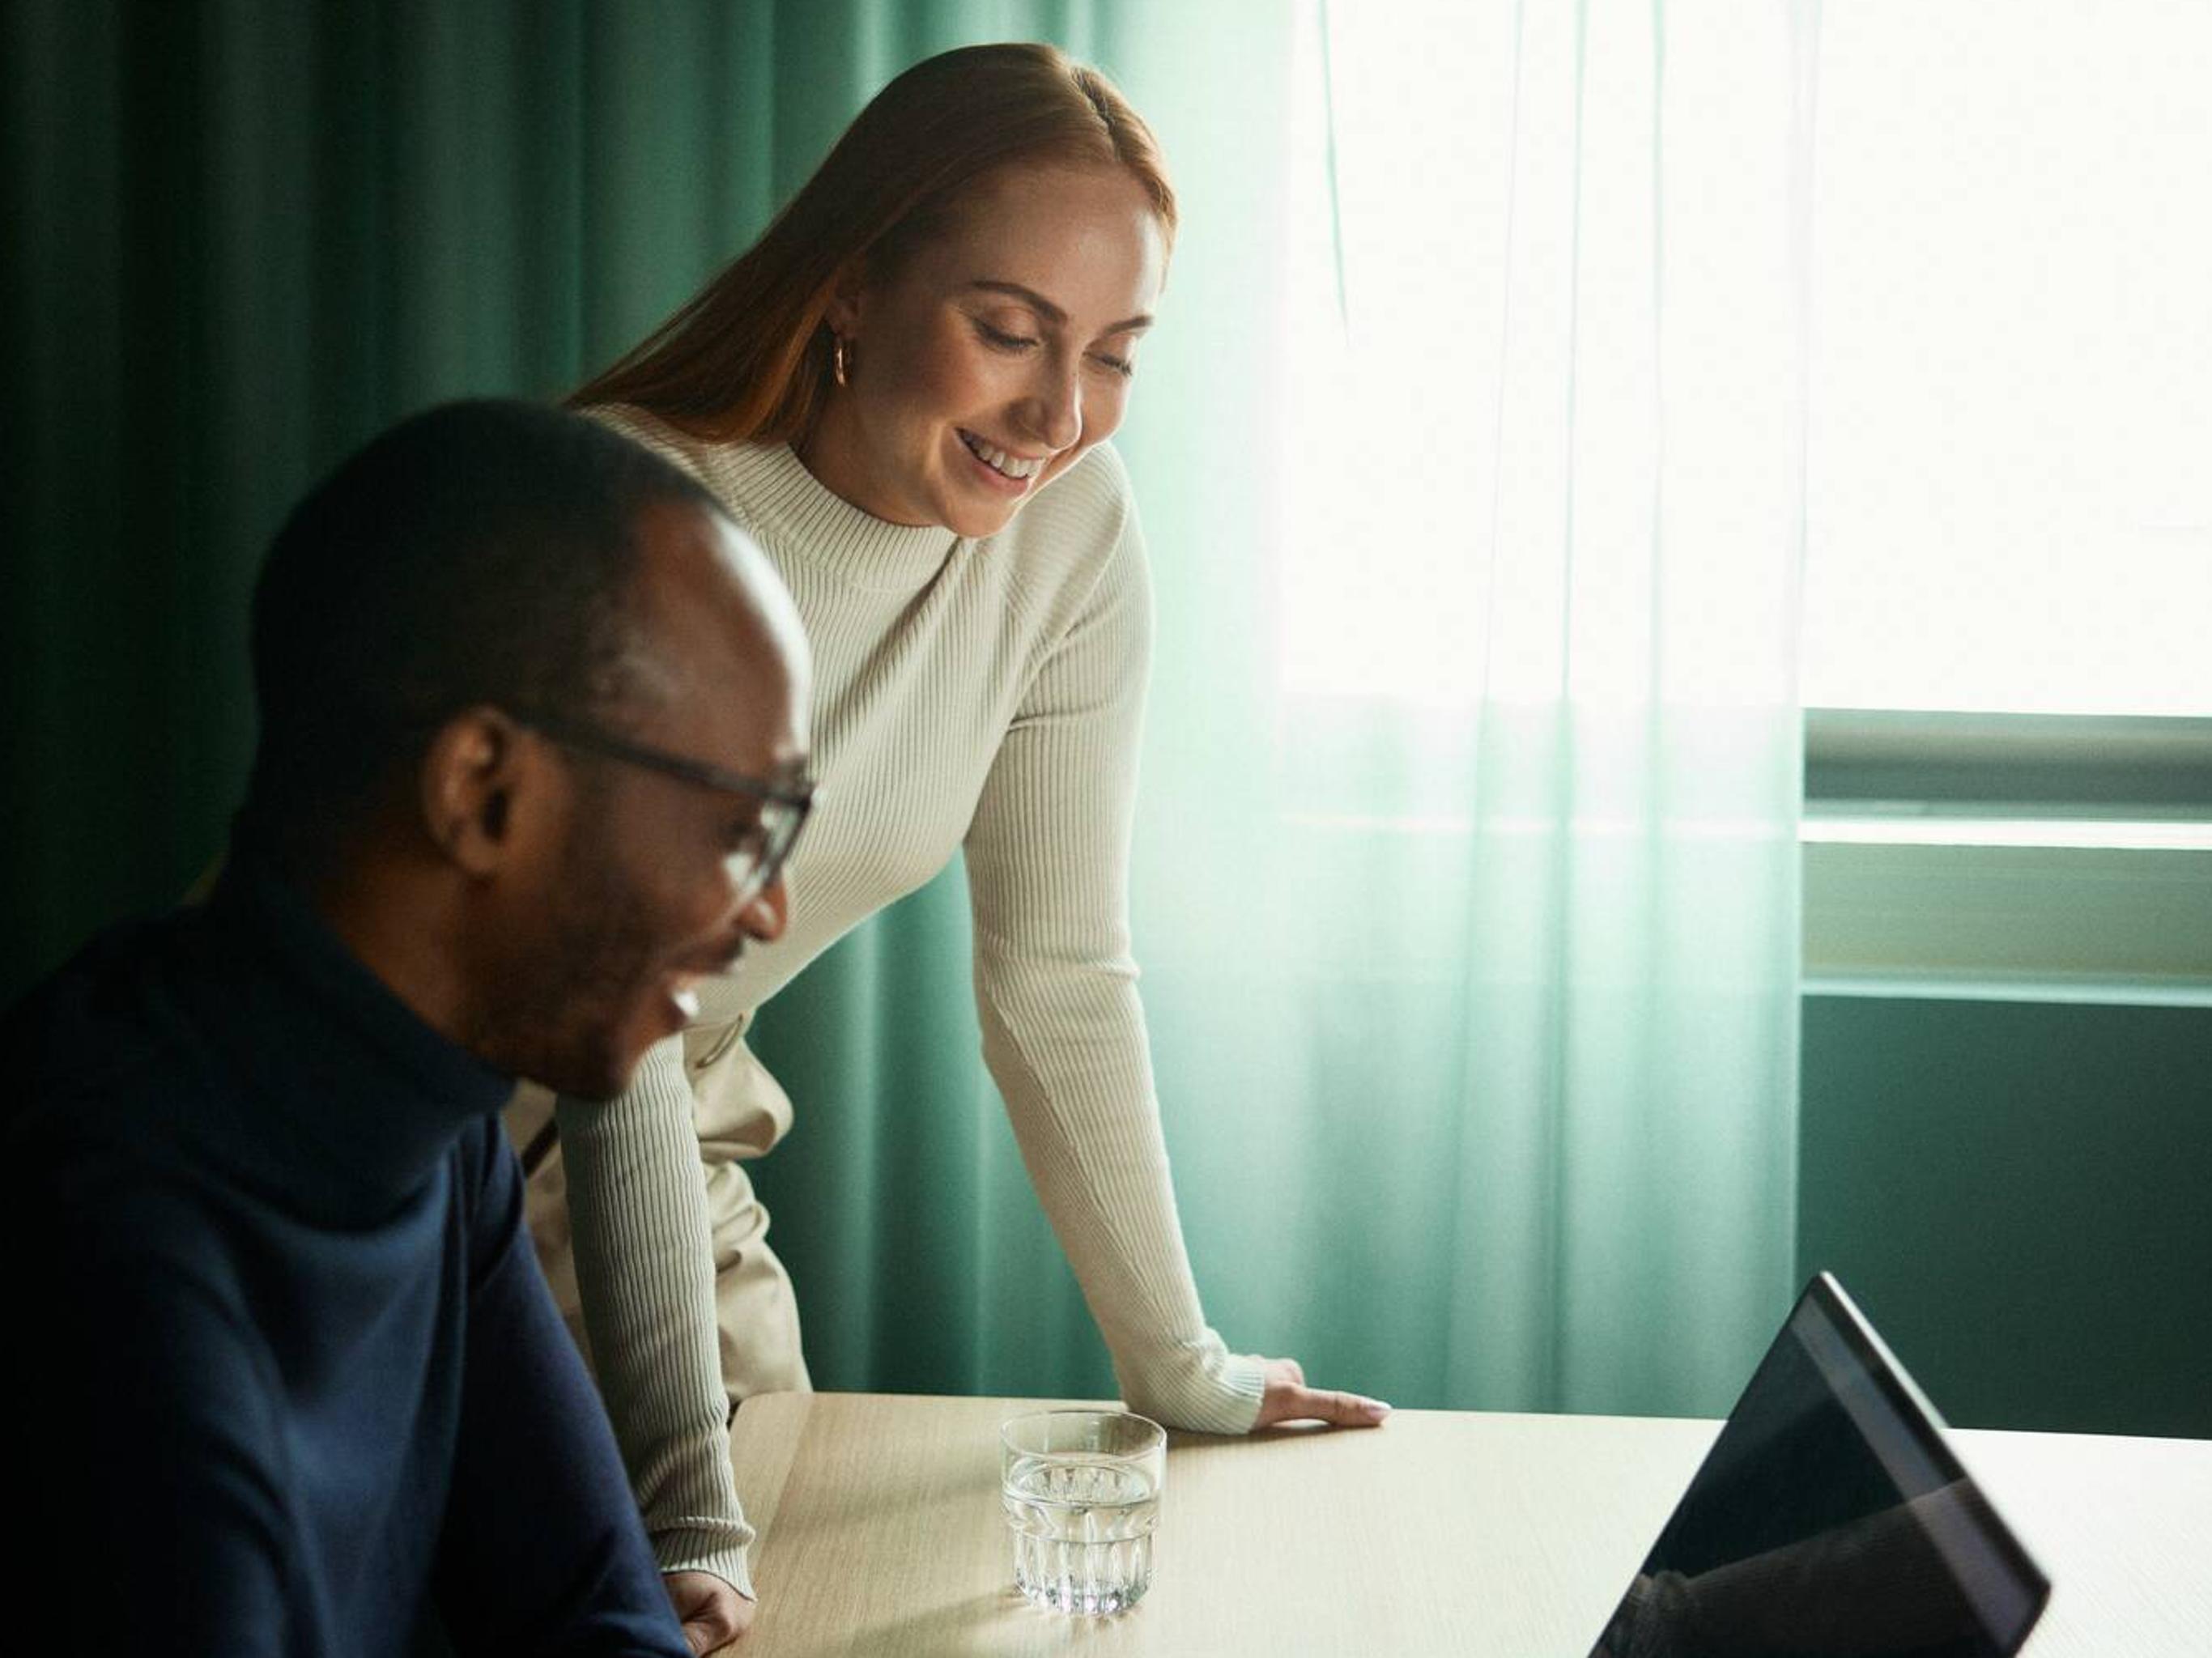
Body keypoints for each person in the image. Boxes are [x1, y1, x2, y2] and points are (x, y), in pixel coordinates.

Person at [516, 40, 1389, 1633]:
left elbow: (1057, 977)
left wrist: (1176, 1368)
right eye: (1009, 332)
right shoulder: (634, 512)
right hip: (397, 1148)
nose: (1059, 412)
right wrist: (680, 1497)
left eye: (1116, 352)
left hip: (675, 1139)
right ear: (850, 291)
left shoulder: (1066, 528)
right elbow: (603, 1038)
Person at [3, 399, 813, 1657]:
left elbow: (593, 1607)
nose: (769, 905)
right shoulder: (114, 1262)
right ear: (485, 792)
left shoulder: (434, 1118)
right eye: (739, 825)